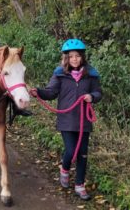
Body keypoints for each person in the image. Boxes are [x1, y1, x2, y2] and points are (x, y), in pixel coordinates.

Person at [29, 39, 102, 201]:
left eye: (77, 56)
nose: (74, 59)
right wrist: (38, 92)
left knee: (83, 154)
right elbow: (51, 92)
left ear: (83, 57)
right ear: (66, 58)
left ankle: (80, 185)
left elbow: (98, 93)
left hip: (84, 121)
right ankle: (65, 169)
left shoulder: (91, 74)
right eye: (71, 56)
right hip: (67, 120)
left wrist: (92, 96)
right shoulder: (60, 74)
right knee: (70, 151)